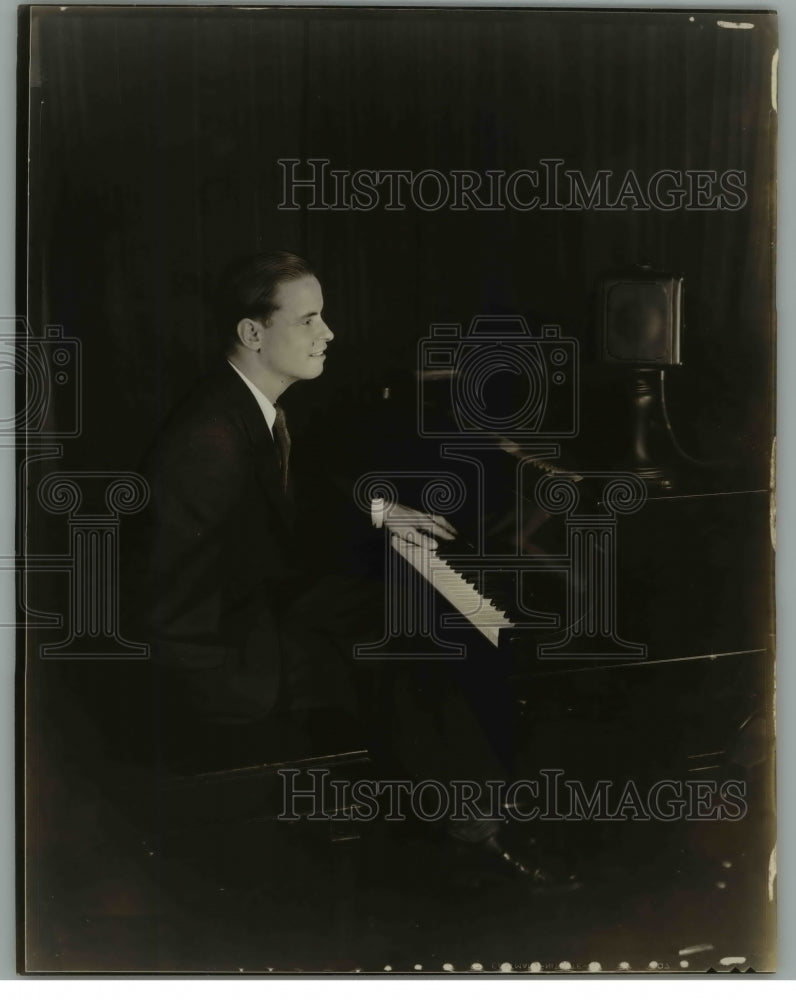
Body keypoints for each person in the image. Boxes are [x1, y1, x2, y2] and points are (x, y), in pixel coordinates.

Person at [133, 249, 579, 890]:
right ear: (253, 332)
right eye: (309, 320)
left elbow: (287, 495)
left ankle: (475, 810)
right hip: (221, 663)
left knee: (412, 616)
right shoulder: (206, 443)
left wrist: (377, 508)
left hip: (246, 618)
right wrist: (258, 686)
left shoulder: (241, 404)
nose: (329, 333)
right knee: (404, 642)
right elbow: (170, 617)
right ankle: (473, 832)